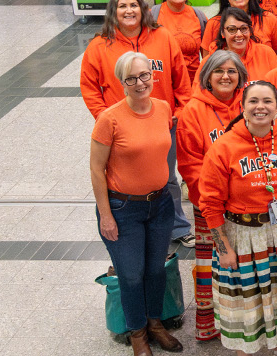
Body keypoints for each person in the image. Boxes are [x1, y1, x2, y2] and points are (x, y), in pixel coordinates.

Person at [198, 81, 277, 355]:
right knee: (248, 306)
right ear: (242, 108)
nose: (260, 107)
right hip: (243, 238)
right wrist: (224, 248)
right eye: (253, 101)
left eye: (267, 101)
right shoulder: (224, 147)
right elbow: (209, 202)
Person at [80, 0, 193, 246]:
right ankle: (127, 223)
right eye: (122, 6)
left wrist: (180, 111)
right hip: (120, 131)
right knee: (126, 181)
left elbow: (180, 77)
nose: (129, 10)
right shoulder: (99, 46)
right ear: (113, 12)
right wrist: (104, 117)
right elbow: (88, 86)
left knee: (167, 177)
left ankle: (176, 225)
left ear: (143, 9)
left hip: (162, 123)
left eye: (134, 5)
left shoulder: (163, 36)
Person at [90, 51, 184, 356]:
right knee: (130, 273)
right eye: (131, 78)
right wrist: (106, 216)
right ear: (122, 83)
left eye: (144, 75)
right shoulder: (110, 119)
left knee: (156, 269)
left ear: (153, 76)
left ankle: (156, 323)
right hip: (122, 209)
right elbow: (96, 169)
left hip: (160, 205)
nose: (140, 82)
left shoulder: (163, 107)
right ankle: (138, 333)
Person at [173, 50, 247, 342]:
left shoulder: (249, 103)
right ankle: (208, 323)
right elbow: (189, 164)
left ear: (240, 76)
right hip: (209, 204)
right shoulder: (193, 111)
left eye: (232, 71)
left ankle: (244, 318)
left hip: (246, 204)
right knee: (209, 266)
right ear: (207, 77)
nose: (226, 76)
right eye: (219, 71)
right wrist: (214, 195)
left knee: (241, 262)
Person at [153, 0, 207, 79]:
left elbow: (207, 56)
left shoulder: (199, 16)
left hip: (194, 83)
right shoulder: (152, 16)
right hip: (166, 83)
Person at [211, 7, 277, 79]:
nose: (239, 34)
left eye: (244, 28)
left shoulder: (266, 53)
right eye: (232, 29)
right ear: (222, 33)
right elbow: (201, 89)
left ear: (250, 31)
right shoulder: (212, 59)